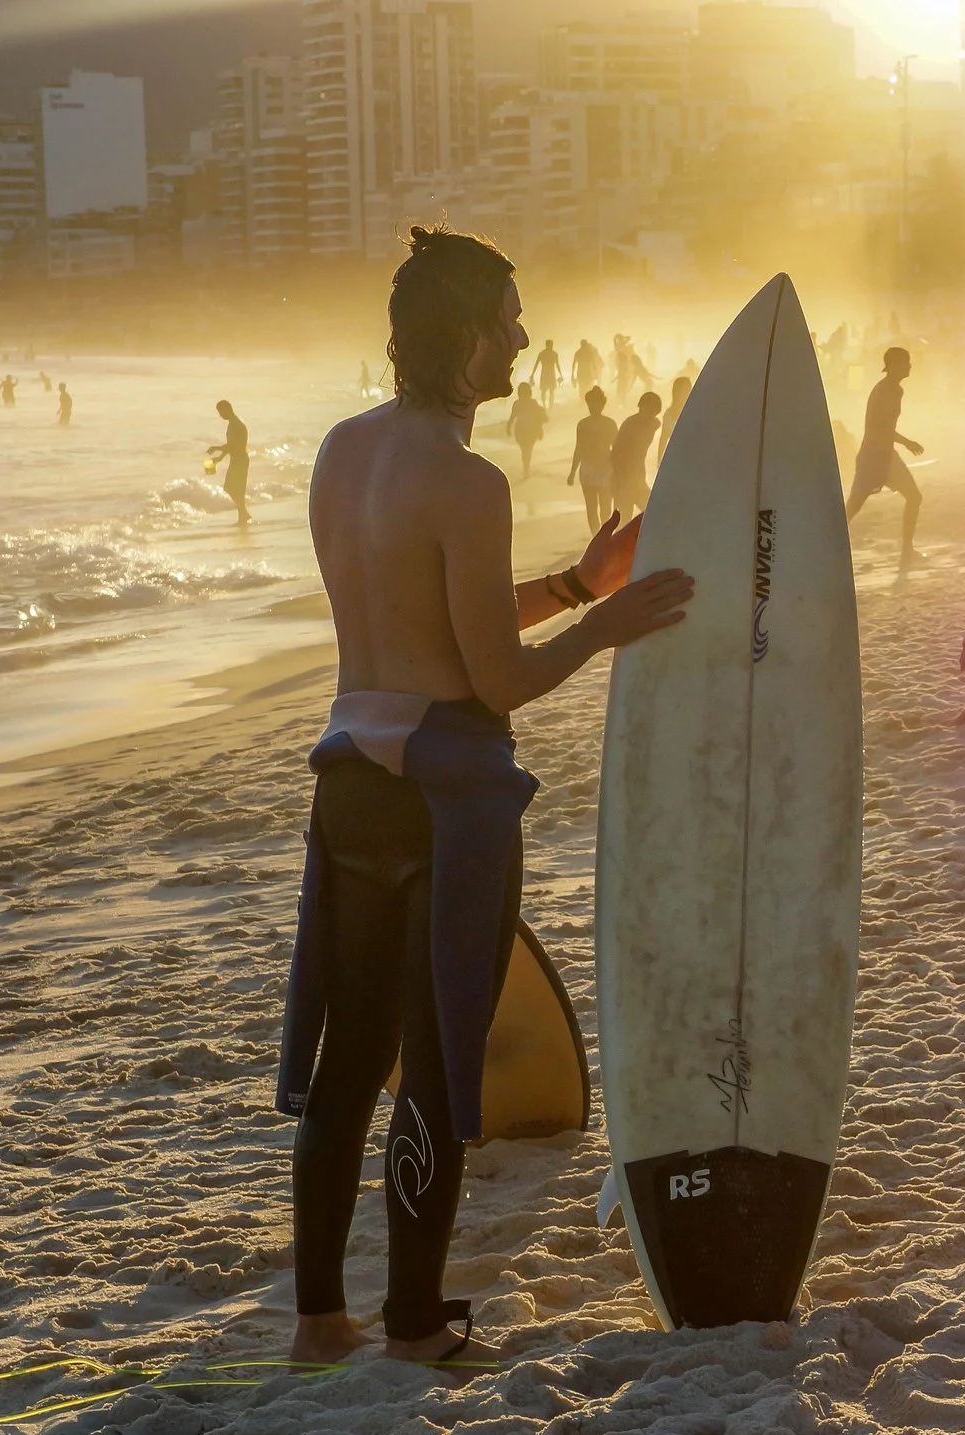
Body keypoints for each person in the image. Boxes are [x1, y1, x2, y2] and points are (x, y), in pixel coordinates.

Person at [282, 225, 691, 1368]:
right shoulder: (467, 477)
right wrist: (609, 623)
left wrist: (569, 584)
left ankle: (321, 1319)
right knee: (435, 1053)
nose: (523, 334)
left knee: (349, 1055)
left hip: (349, 782)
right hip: (442, 800)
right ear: (467, 336)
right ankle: (415, 1324)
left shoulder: (342, 449)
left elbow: (424, 627)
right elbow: (491, 680)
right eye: (508, 316)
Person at [847, 346, 925, 562]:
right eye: (906, 361)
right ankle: (824, 544)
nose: (910, 365)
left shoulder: (896, 390)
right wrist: (907, 442)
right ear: (893, 365)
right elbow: (878, 427)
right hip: (872, 457)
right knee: (853, 506)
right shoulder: (883, 390)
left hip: (886, 456)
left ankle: (907, 550)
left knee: (914, 496)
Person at [567, 387, 616, 533]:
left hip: (606, 469)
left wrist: (619, 471)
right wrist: (572, 472)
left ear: (603, 405)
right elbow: (579, 448)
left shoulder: (609, 424)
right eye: (591, 404)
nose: (593, 407)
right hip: (587, 469)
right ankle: (595, 536)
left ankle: (605, 535)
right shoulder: (582, 424)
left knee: (606, 507)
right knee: (591, 507)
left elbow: (617, 448)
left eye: (597, 404)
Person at [611, 390, 661, 520]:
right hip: (624, 479)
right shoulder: (629, 425)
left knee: (652, 513)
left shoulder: (652, 423)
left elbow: (657, 423)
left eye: (653, 412)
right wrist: (620, 480)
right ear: (640, 406)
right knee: (624, 519)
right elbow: (615, 453)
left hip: (638, 478)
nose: (649, 414)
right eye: (647, 409)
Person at [209, 400, 251, 525]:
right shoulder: (233, 423)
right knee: (233, 488)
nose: (220, 415)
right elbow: (231, 446)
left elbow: (232, 445)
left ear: (227, 409)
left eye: (220, 412)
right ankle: (243, 514)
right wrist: (220, 458)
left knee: (233, 488)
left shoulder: (236, 425)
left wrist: (216, 449)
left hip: (240, 460)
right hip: (237, 459)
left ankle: (243, 515)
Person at [505, 382, 544, 481]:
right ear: (530, 392)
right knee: (528, 449)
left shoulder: (517, 403)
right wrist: (540, 431)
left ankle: (526, 467)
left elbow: (512, 418)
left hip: (520, 430)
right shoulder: (533, 403)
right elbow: (539, 418)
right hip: (531, 430)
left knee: (524, 450)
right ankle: (526, 467)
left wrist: (508, 428)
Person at [658, 373, 692, 468]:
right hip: (678, 457)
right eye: (682, 390)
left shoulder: (696, 410)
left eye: (688, 390)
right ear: (675, 392)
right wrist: (659, 459)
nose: (686, 393)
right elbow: (663, 438)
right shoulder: (669, 414)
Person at [533, 339, 562, 409]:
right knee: (544, 391)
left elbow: (557, 365)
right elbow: (536, 364)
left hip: (549, 374)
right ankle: (544, 405)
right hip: (547, 374)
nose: (550, 346)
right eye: (550, 345)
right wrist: (532, 374)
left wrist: (561, 374)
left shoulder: (552, 354)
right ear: (547, 345)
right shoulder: (544, 354)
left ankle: (549, 406)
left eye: (551, 345)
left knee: (550, 391)